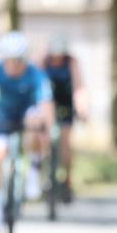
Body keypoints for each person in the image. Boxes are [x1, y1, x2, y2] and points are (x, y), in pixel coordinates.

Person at [0, 31, 55, 233]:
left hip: (28, 112)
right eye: (9, 61)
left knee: (34, 122)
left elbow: (46, 104)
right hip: (4, 114)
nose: (13, 65)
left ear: (24, 59)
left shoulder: (36, 74)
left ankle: (33, 171)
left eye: (18, 61)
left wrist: (47, 128)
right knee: (0, 155)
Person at [42, 34, 89, 202]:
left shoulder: (71, 63)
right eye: (55, 56)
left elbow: (79, 86)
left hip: (66, 105)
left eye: (60, 56)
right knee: (45, 140)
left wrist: (82, 109)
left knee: (65, 145)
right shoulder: (43, 63)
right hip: (48, 105)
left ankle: (67, 180)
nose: (57, 59)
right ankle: (45, 174)